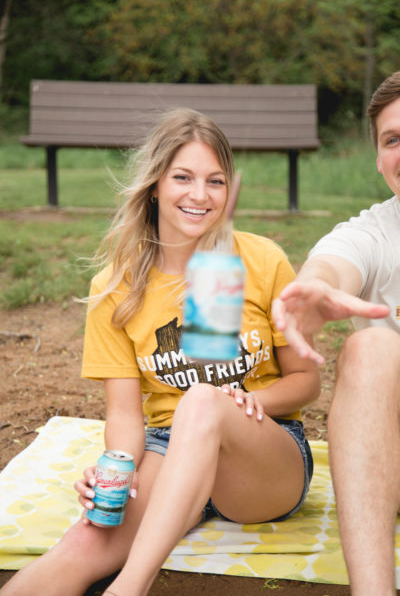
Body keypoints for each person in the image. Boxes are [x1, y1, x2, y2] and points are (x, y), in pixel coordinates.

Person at [1, 108, 319, 596]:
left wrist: (250, 401)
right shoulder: (117, 286)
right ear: (154, 185)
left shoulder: (260, 260)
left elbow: (306, 381)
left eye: (215, 181)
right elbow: (125, 414)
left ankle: (130, 586)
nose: (200, 195)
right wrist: (115, 468)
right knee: (82, 542)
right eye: (183, 177)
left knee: (204, 400)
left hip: (263, 451)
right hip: (166, 447)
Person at [272, 70, 400, 596]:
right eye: (393, 139)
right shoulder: (374, 233)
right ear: (379, 159)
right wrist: (316, 288)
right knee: (369, 347)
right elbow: (331, 265)